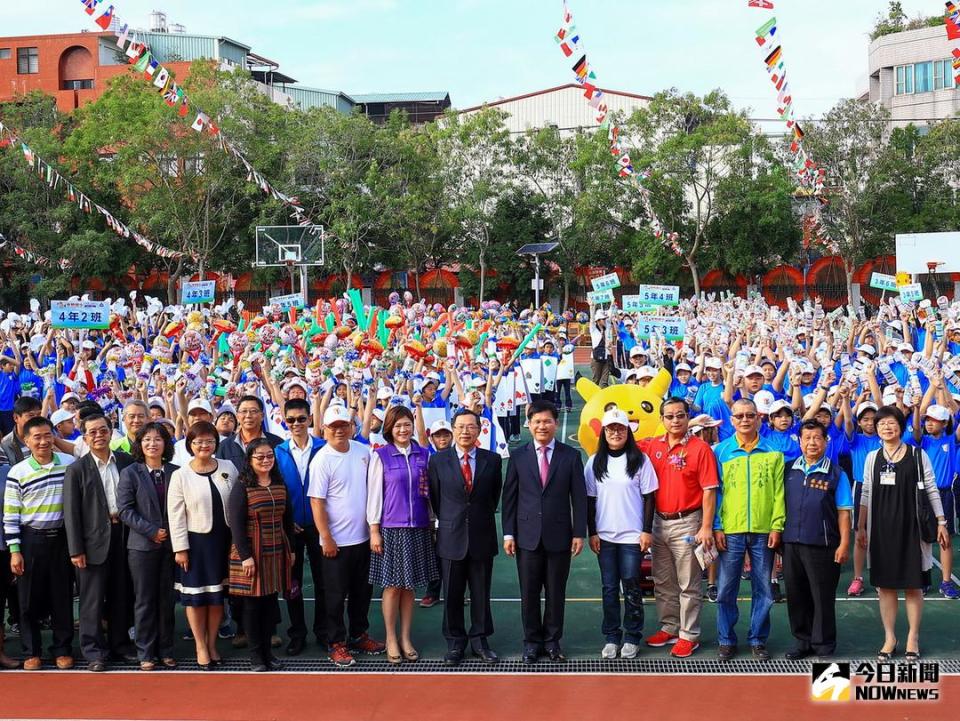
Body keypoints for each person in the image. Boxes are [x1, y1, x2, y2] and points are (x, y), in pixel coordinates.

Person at [857, 406, 950, 662]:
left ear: (901, 426)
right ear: (876, 429)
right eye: (881, 424)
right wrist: (861, 527)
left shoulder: (918, 455)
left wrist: (941, 521)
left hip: (912, 530)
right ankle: (890, 637)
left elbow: (931, 489)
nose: (887, 427)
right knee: (884, 586)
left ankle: (912, 637)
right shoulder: (872, 458)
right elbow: (865, 493)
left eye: (892, 423)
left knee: (913, 587)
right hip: (880, 530)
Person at [502, 399, 587, 664]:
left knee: (555, 592)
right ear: (528, 425)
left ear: (556, 423)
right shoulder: (518, 456)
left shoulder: (570, 456)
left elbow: (580, 497)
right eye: (536, 421)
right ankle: (531, 642)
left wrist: (578, 532)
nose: (542, 426)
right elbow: (510, 498)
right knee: (528, 593)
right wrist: (508, 534)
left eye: (547, 421)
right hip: (526, 536)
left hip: (559, 535)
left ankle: (552, 641)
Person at [640, 398, 719, 658]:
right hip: (658, 523)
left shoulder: (700, 449)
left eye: (681, 416)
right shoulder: (653, 446)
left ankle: (689, 634)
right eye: (670, 416)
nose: (675, 421)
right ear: (662, 419)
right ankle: (670, 626)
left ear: (688, 418)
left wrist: (706, 527)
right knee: (663, 580)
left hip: (688, 523)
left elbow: (709, 491)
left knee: (689, 583)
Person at [309, 405, 385, 668]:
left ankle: (358, 633)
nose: (339, 430)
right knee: (334, 595)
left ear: (352, 427)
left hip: (363, 539)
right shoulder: (322, 459)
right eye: (334, 426)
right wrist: (326, 537)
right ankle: (336, 642)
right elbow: (317, 502)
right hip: (336, 543)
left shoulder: (364, 452)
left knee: (362, 592)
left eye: (344, 425)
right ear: (324, 430)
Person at [428, 409, 503, 666]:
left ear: (480, 429)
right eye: (460, 426)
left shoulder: (492, 460)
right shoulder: (438, 461)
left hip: (482, 536)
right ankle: (455, 642)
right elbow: (437, 499)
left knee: (481, 592)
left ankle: (480, 641)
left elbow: (494, 497)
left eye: (471, 426)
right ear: (453, 429)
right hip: (451, 536)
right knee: (452, 594)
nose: (465, 431)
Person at [712, 398, 785, 662]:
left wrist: (777, 525)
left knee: (763, 588)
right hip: (730, 529)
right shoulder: (720, 452)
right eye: (739, 416)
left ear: (759, 418)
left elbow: (779, 493)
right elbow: (716, 494)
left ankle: (757, 639)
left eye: (750, 415)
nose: (745, 420)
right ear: (732, 420)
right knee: (725, 589)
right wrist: (717, 526)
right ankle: (726, 639)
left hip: (764, 530)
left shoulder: (773, 452)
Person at [63, 413, 137, 671]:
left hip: (124, 537)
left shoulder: (127, 462)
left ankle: (120, 644)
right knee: (92, 600)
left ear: (110, 431)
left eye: (103, 430)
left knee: (121, 595)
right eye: (92, 432)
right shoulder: (76, 469)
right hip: (92, 541)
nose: (98, 435)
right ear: (84, 437)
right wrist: (76, 549)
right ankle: (93, 651)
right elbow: (71, 514)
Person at [366, 405, 438, 664]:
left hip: (418, 527)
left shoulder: (424, 455)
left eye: (407, 424)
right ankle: (391, 638)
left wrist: (432, 523)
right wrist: (374, 529)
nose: (403, 429)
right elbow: (375, 494)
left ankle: (406, 637)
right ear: (389, 429)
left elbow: (429, 493)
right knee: (392, 586)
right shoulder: (381, 456)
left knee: (410, 587)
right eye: (398, 425)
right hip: (391, 528)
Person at [3, 416, 75, 670]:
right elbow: (10, 515)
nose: (43, 441)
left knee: (62, 596)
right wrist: (15, 550)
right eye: (37, 437)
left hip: (63, 539)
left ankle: (62, 648)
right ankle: (31, 650)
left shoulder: (69, 464)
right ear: (26, 440)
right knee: (28, 599)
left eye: (47, 435)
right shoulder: (18, 472)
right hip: (31, 540)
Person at [585, 409, 658, 660]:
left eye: (620, 429)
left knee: (631, 584)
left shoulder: (640, 460)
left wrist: (646, 530)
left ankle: (632, 636)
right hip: (605, 536)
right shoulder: (594, 462)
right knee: (608, 587)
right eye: (610, 429)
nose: (615, 433)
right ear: (603, 433)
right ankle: (612, 636)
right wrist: (592, 532)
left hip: (632, 536)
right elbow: (590, 500)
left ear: (628, 432)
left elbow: (649, 497)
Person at [167, 420, 238, 669]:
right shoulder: (180, 475)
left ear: (216, 443)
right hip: (196, 544)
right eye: (198, 442)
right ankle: (200, 645)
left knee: (217, 597)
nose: (204, 446)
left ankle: (212, 644)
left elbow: (238, 503)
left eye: (209, 441)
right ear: (190, 445)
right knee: (196, 598)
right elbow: (175, 515)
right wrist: (180, 548)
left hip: (224, 541)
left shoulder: (228, 467)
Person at [781, 420, 852, 659]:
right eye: (807, 438)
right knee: (796, 594)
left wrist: (844, 543)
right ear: (800, 442)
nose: (812, 443)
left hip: (823, 544)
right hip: (791, 543)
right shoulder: (788, 469)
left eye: (817, 438)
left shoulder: (836, 473)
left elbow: (844, 511)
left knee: (822, 596)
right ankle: (802, 641)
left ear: (825, 441)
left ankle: (823, 644)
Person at [227, 440, 293, 672]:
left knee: (270, 604)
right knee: (252, 606)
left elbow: (288, 520)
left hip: (275, 548)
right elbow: (235, 524)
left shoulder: (279, 483)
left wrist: (291, 550)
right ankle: (256, 656)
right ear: (250, 460)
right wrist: (246, 556)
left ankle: (268, 652)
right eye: (260, 457)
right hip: (251, 550)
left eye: (269, 456)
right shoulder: (242, 485)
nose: (266, 460)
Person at [117, 422, 179, 670]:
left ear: (165, 444)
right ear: (139, 444)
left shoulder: (176, 471)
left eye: (158, 439)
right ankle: (145, 652)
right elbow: (125, 510)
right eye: (147, 440)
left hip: (172, 545)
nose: (152, 444)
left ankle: (166, 649)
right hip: (142, 546)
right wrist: (152, 531)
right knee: (144, 600)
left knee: (167, 599)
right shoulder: (131, 472)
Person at [274, 397, 326, 656]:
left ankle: (324, 631)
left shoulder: (324, 448)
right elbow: (274, 488)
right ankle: (297, 633)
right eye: (291, 420)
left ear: (310, 419)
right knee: (292, 583)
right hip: (290, 527)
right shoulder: (278, 451)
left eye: (301, 419)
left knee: (323, 581)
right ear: (285, 421)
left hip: (320, 526)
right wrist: (285, 518)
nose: (296, 424)